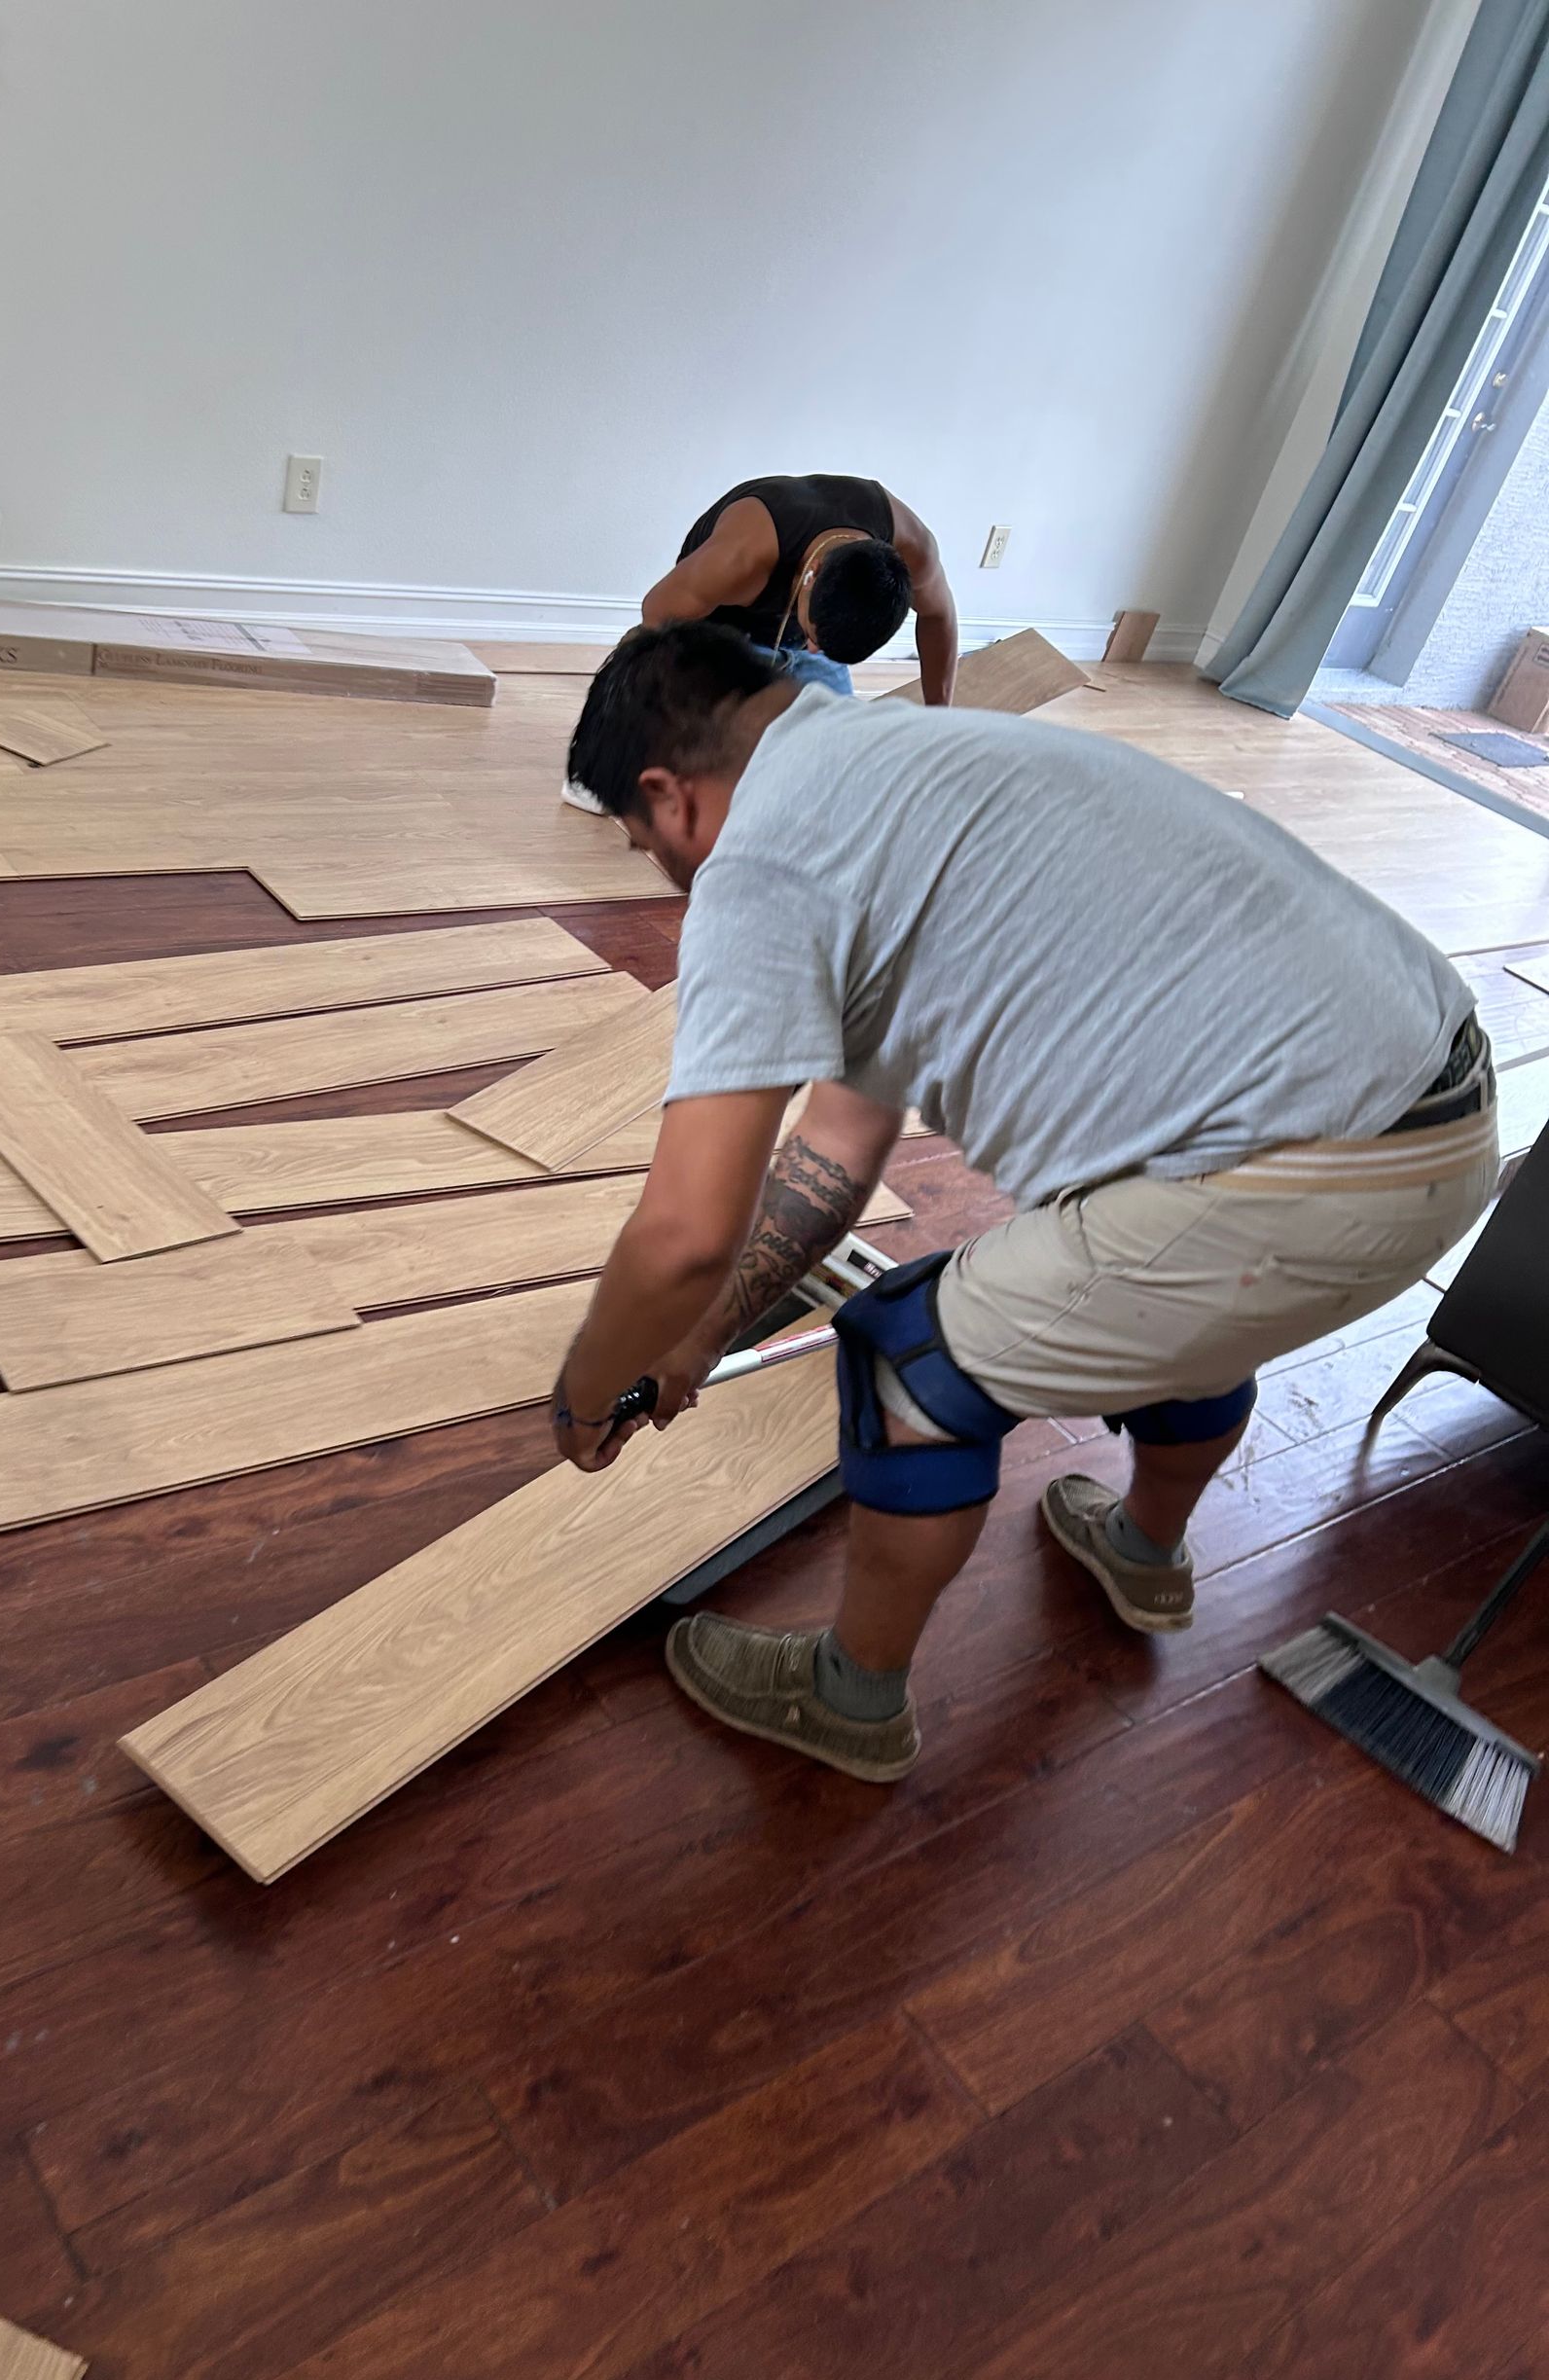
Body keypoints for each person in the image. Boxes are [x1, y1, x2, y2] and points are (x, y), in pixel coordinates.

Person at [548, 623, 1497, 1784]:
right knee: (1184, 1278)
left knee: (907, 1356)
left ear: (669, 796)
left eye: (651, 847)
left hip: (1307, 1180)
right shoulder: (905, 763)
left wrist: (589, 1389)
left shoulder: (761, 860)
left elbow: (688, 1231)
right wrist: (693, 1344)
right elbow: (835, 1157)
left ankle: (851, 1698)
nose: (672, 873)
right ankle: (1145, 1551)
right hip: (1443, 1116)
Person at [642, 473, 957, 703]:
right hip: (724, 632)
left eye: (819, 645)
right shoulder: (742, 559)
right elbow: (656, 613)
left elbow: (938, 616)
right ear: (812, 574)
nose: (813, 650)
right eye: (814, 638)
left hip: (813, 617)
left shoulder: (913, 548)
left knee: (839, 744)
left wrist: (939, 713)